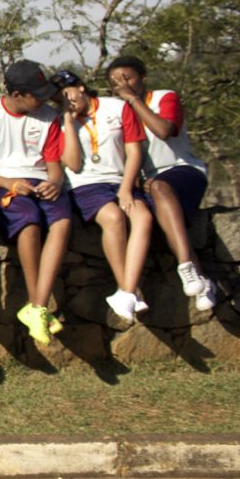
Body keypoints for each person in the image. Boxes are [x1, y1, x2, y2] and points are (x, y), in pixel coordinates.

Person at [106, 55, 217, 310]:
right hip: (149, 180)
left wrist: (133, 100)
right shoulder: (117, 112)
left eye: (127, 78)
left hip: (181, 170)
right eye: (115, 82)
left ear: (142, 78)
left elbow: (164, 130)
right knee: (164, 215)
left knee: (160, 188)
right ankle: (200, 278)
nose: (122, 84)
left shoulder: (164, 97)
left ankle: (186, 266)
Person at [0, 60, 72, 346]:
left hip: (42, 180)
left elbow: (54, 164)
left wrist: (55, 182)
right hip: (7, 185)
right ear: (17, 94)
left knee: (62, 222)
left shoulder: (49, 117)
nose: (43, 99)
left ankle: (37, 307)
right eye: (37, 94)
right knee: (29, 223)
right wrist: (11, 184)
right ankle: (38, 306)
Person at [57, 70, 154, 322]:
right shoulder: (59, 122)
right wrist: (68, 122)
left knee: (143, 217)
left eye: (68, 93)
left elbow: (134, 152)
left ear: (80, 87)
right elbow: (73, 164)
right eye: (59, 99)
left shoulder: (117, 107)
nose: (67, 101)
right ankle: (129, 290)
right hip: (84, 184)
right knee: (113, 217)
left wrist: (125, 187)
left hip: (120, 179)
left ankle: (126, 292)